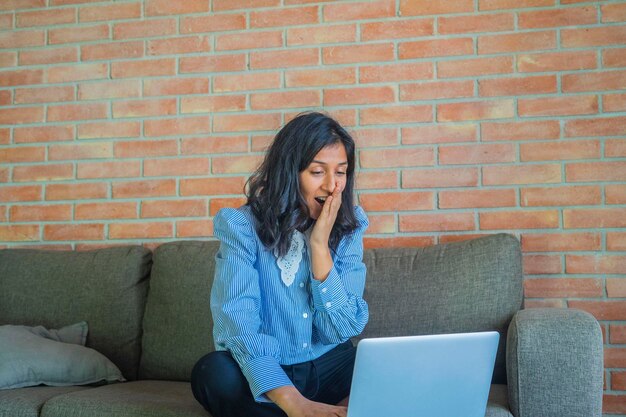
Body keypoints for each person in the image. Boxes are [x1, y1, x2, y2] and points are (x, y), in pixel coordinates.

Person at [191, 112, 369, 417]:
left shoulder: (350, 226)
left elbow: (341, 329)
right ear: (290, 172)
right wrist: (294, 402)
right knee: (212, 372)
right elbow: (238, 322)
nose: (331, 185)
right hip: (273, 369)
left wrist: (319, 246)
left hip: (331, 365)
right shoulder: (241, 227)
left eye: (340, 172)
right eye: (317, 172)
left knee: (393, 366)